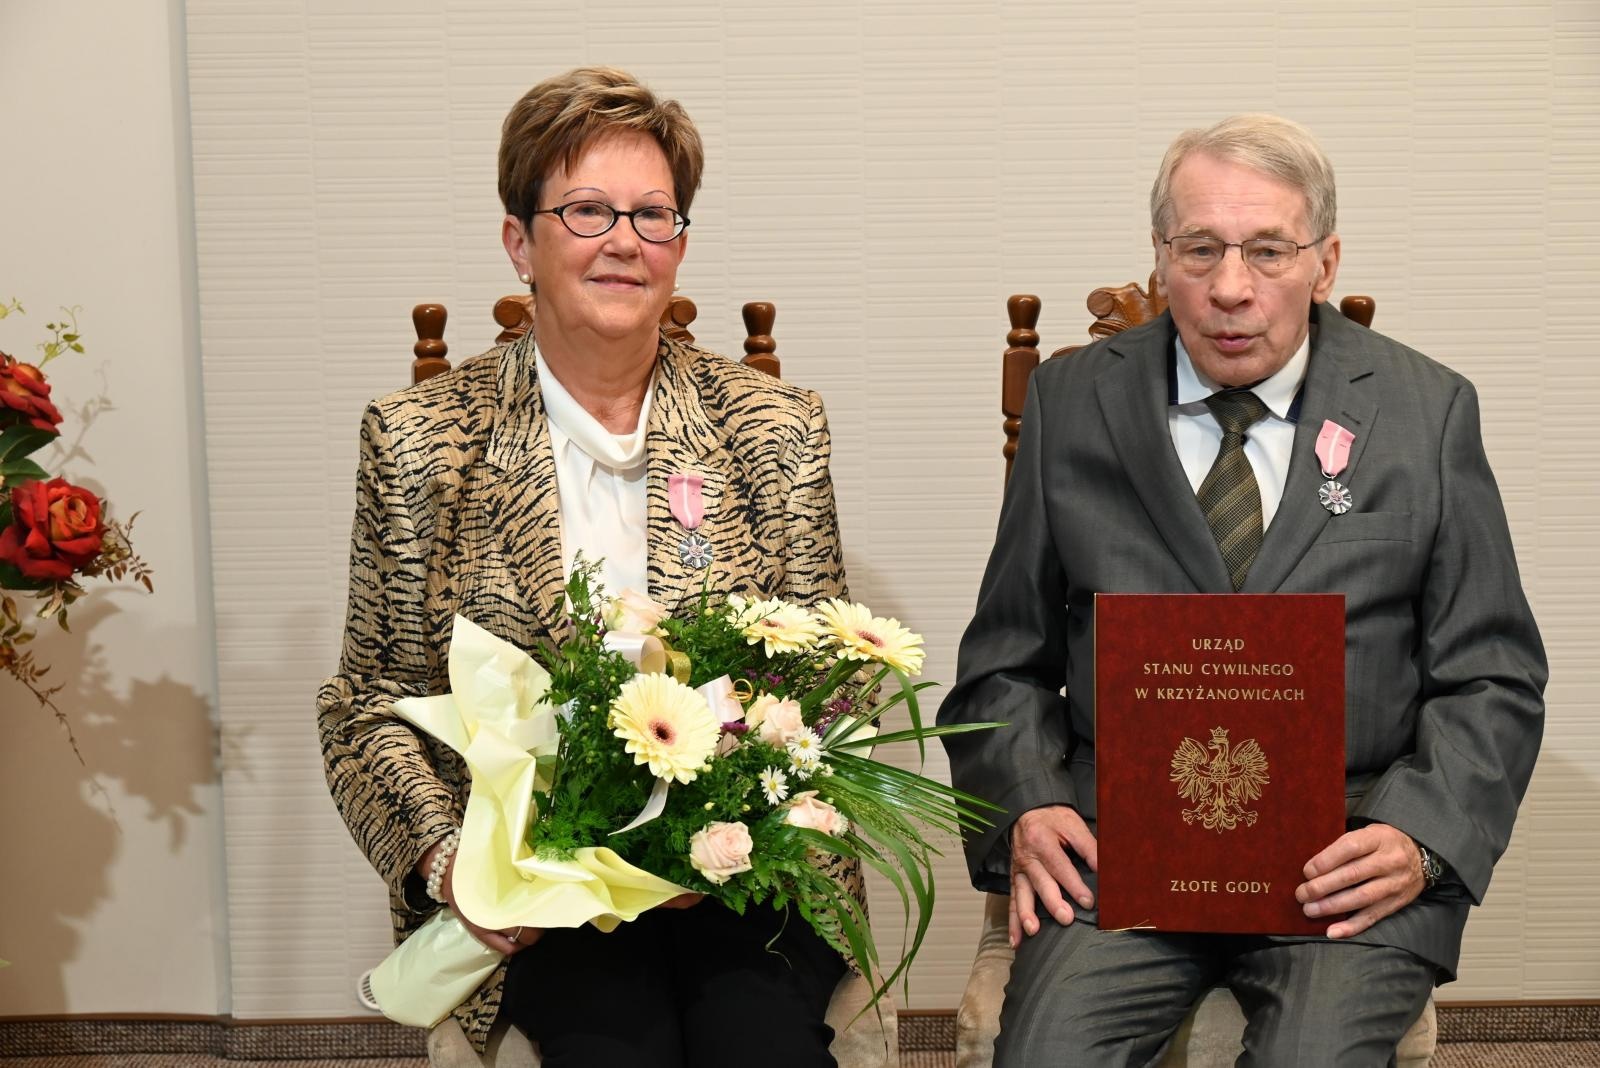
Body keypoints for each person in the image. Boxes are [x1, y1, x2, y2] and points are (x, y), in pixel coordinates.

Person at [937, 114, 1546, 1066]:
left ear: (1325, 260)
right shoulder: (1072, 403)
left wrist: (1418, 839)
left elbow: (1494, 675)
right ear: (1159, 257)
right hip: (1123, 850)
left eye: (1268, 250)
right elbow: (1002, 667)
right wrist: (1026, 805)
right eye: (1199, 249)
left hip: (1341, 858)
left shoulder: (1426, 414)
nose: (1230, 287)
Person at [317, 67, 855, 1068]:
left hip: (737, 871)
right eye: (586, 210)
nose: (623, 241)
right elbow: (369, 706)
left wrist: (746, 811)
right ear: (520, 241)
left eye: (653, 215)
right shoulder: (422, 439)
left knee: (761, 1050)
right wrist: (449, 864)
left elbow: (828, 676)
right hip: (544, 886)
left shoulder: (773, 427)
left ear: (680, 246)